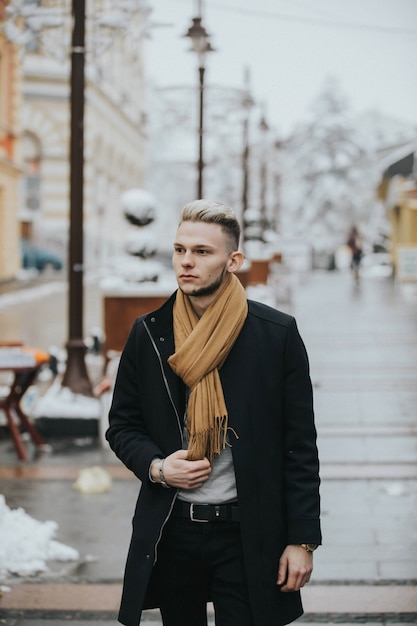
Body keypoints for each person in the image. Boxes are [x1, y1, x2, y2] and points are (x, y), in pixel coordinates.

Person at [106, 199, 322, 626]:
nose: (186, 262)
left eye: (202, 252)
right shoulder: (150, 333)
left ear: (233, 260)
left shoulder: (275, 335)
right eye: (180, 250)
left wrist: (302, 539)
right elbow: (123, 425)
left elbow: (299, 446)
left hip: (249, 532)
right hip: (174, 530)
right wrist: (158, 467)